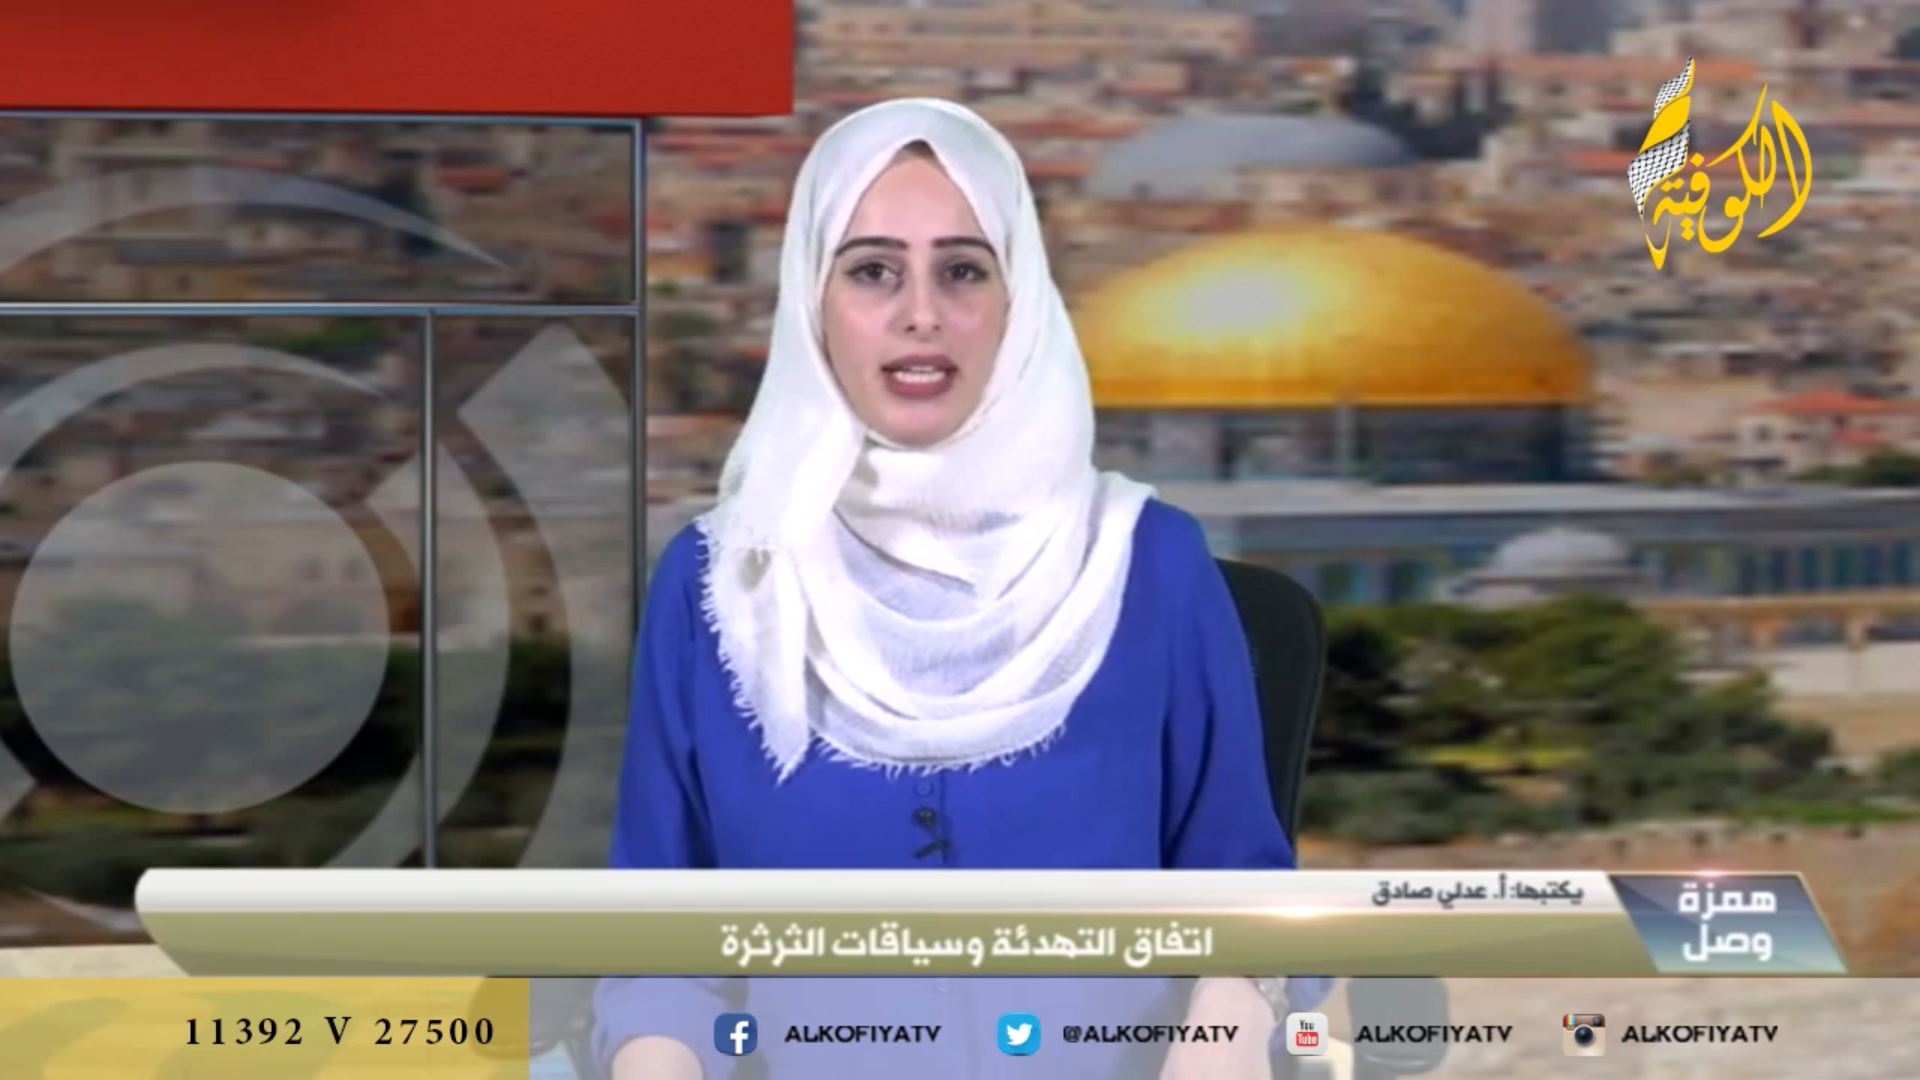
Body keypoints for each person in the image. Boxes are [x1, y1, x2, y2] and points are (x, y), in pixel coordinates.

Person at [593, 98, 1315, 1080]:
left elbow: (1242, 892)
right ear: (812, 302)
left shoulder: (1149, 560)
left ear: (1019, 303)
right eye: (872, 270)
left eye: (964, 270)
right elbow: (658, 941)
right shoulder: (719, 582)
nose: (921, 313)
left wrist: (1225, 1026)